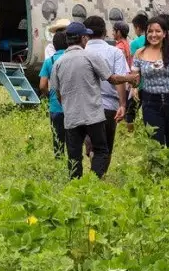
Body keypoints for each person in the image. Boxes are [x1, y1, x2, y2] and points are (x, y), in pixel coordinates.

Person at [50, 22, 138, 179]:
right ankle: (95, 183)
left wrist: (68, 106)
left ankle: (75, 187)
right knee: (101, 150)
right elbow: (112, 78)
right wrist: (129, 78)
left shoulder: (58, 63)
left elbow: (57, 93)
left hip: (72, 117)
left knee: (74, 155)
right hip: (93, 115)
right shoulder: (91, 57)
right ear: (83, 38)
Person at [132, 17, 169, 160]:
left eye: (158, 31)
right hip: (150, 102)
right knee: (155, 144)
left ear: (164, 33)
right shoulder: (140, 53)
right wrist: (134, 87)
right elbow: (135, 76)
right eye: (150, 31)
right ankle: (157, 179)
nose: (153, 34)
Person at [83, 16, 130, 165]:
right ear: (105, 31)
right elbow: (121, 80)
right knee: (106, 147)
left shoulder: (80, 52)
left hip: (84, 105)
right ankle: (100, 177)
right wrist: (122, 104)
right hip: (109, 105)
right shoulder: (115, 52)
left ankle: (90, 145)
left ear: (85, 34)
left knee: (89, 134)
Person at [39, 31, 68, 159]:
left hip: (55, 107)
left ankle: (59, 160)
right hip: (72, 107)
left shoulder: (49, 61)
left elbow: (42, 85)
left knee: (58, 139)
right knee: (73, 140)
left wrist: (48, 94)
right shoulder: (70, 59)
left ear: (54, 46)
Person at [125, 13, 150, 125]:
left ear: (138, 28)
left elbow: (134, 65)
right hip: (151, 83)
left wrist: (132, 84)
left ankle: (130, 133)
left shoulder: (135, 43)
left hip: (139, 83)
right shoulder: (153, 39)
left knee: (131, 110)